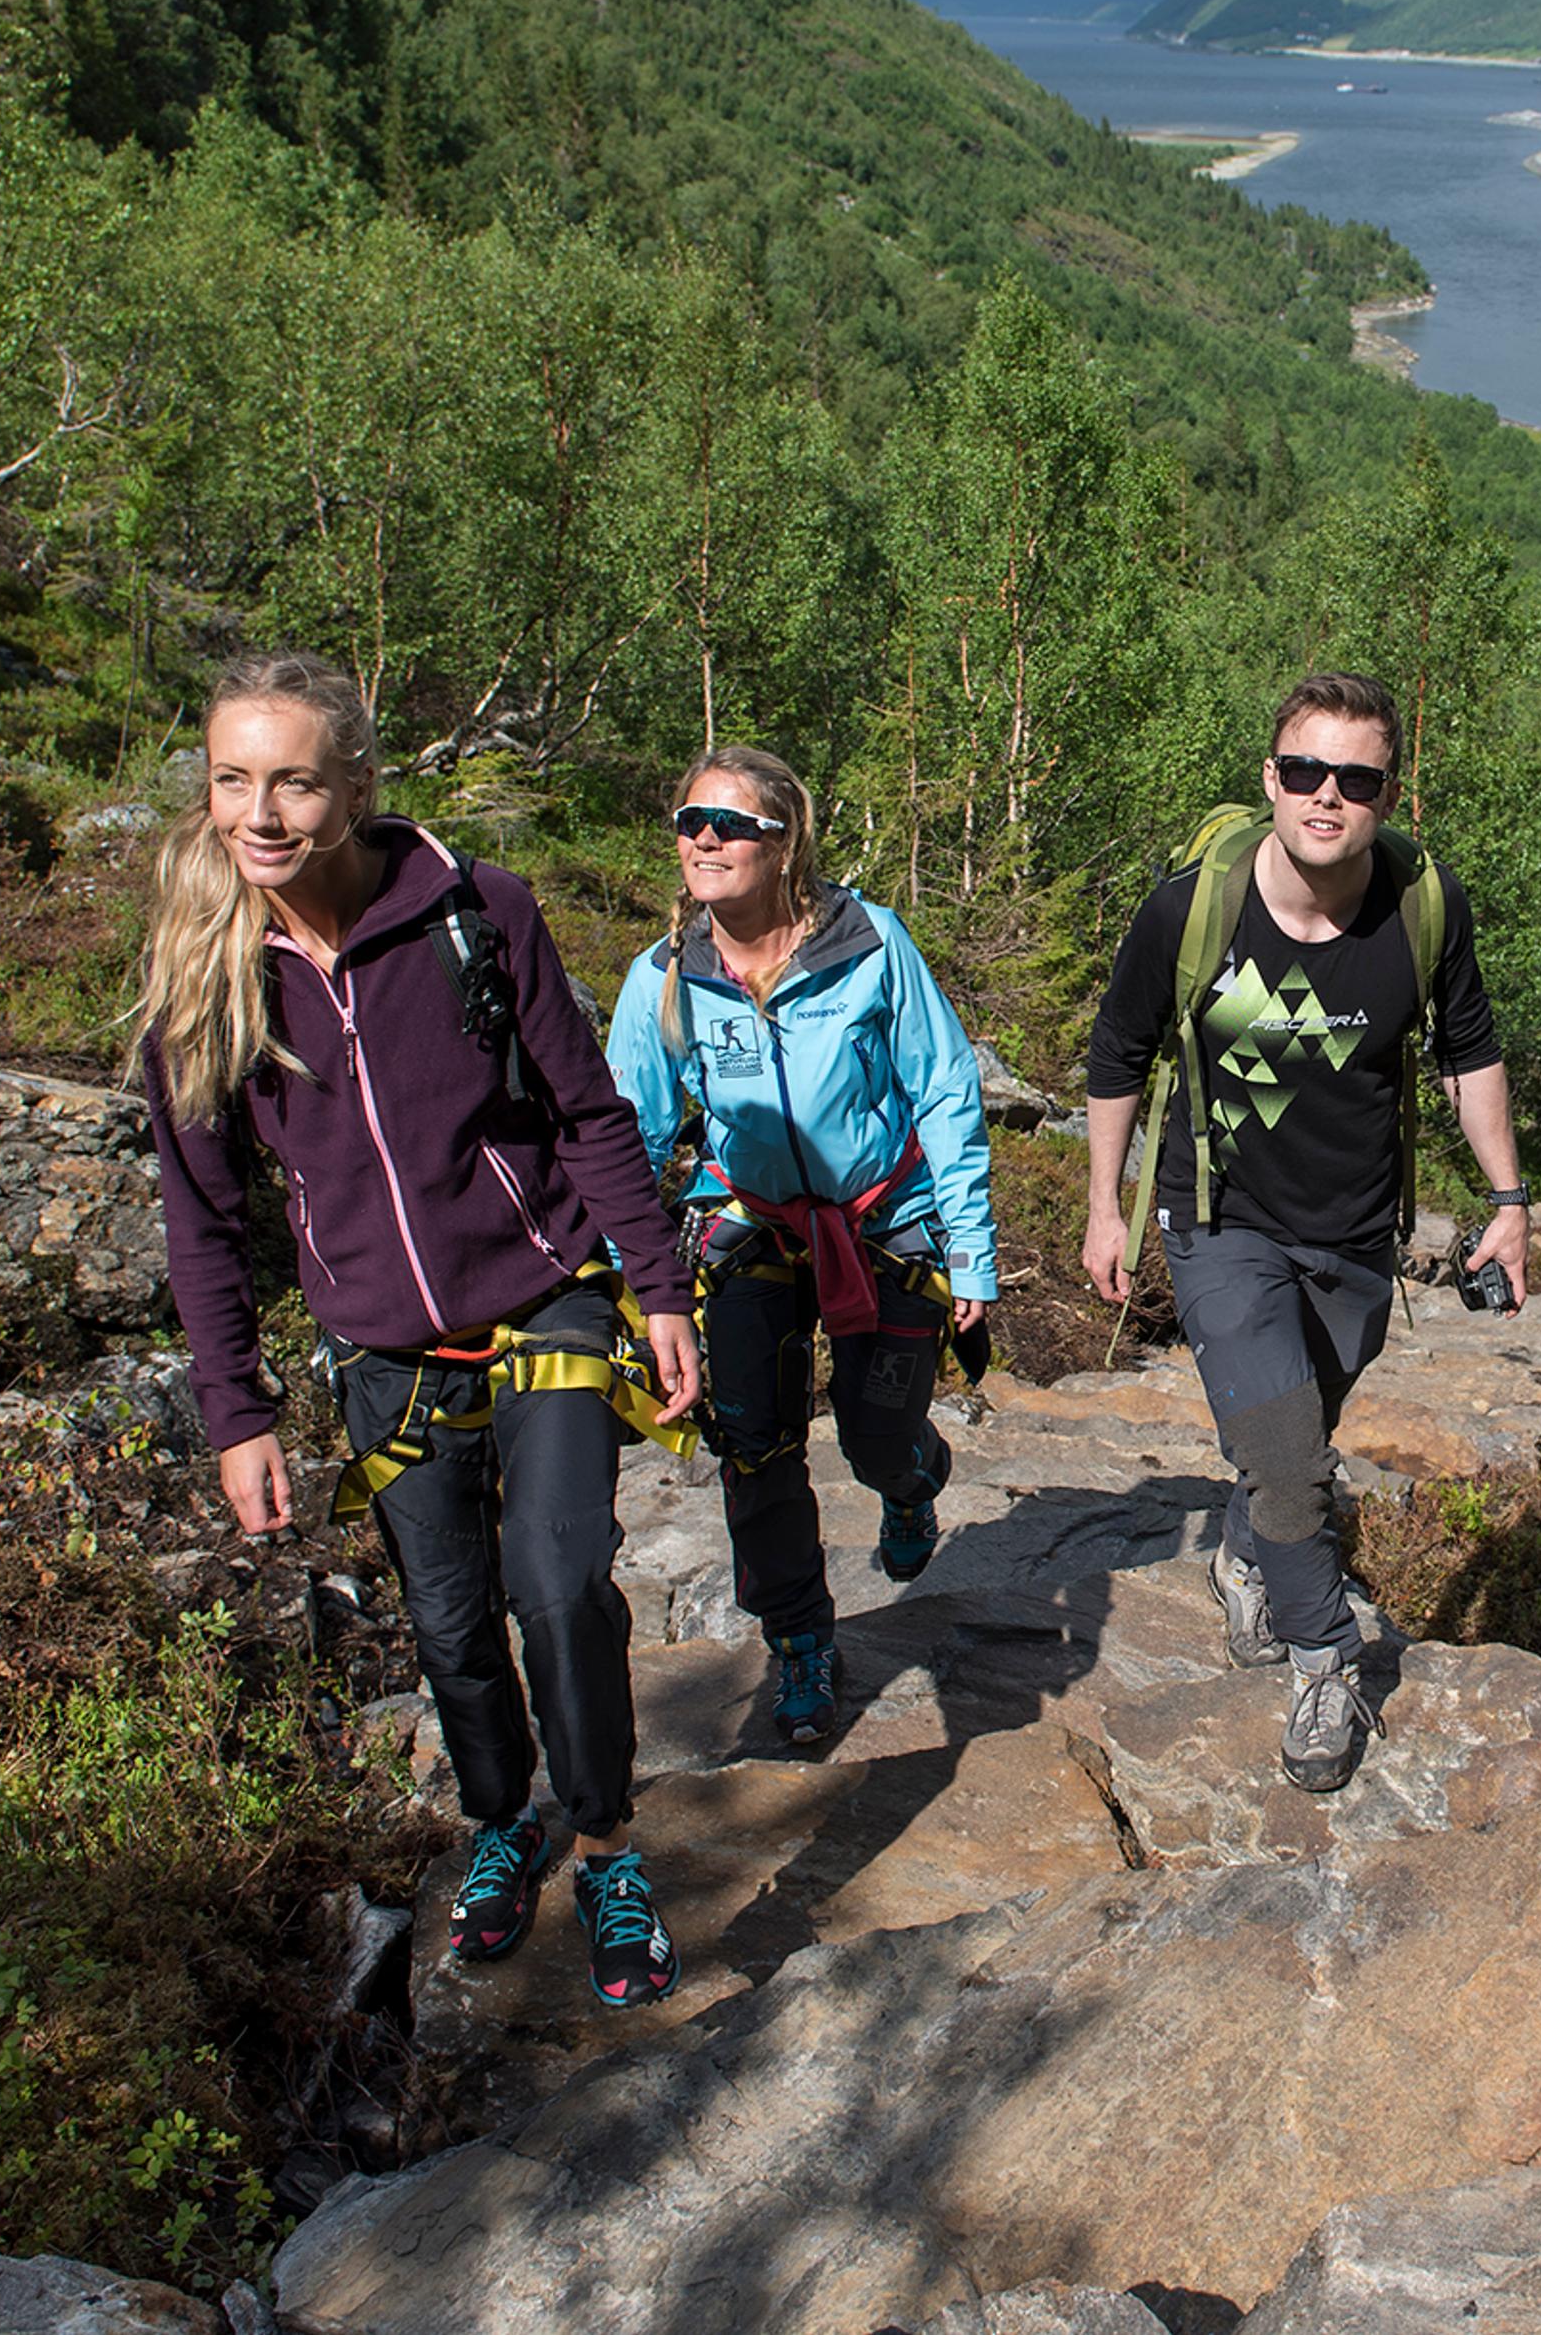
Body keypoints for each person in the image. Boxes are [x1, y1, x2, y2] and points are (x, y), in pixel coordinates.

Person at [133, 653, 706, 2010]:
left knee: (557, 1584)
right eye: (232, 778)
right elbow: (203, 1223)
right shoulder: (205, 977)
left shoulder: (478, 913)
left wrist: (664, 1286)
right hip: (381, 1348)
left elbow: (585, 1113)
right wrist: (240, 1412)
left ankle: (610, 1847)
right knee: (448, 1624)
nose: (259, 813)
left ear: (357, 784)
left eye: (292, 780)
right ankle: (504, 1822)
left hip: (547, 1298)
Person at [1079, 670, 1531, 1793]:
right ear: (1269, 779)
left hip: (1354, 1235)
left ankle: (1245, 1556)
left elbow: (1469, 1053)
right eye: (1304, 771)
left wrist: (1511, 1204)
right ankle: (1326, 1662)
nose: (1327, 796)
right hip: (1220, 1219)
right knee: (1291, 1459)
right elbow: (1115, 1055)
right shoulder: (1193, 909)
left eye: (1357, 776)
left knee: (1291, 1446)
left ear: (1388, 788)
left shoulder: (1423, 905)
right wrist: (1103, 1204)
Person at [605, 746, 998, 1745]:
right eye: (690, 819)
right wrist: (623, 1278)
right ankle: (802, 1645)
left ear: (785, 844)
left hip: (884, 1216)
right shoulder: (664, 977)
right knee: (755, 1449)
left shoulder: (868, 944)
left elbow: (946, 1089)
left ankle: (912, 1478)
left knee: (875, 1431)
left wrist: (974, 1249)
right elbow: (624, 1135)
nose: (703, 838)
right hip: (750, 1219)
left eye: (729, 823)